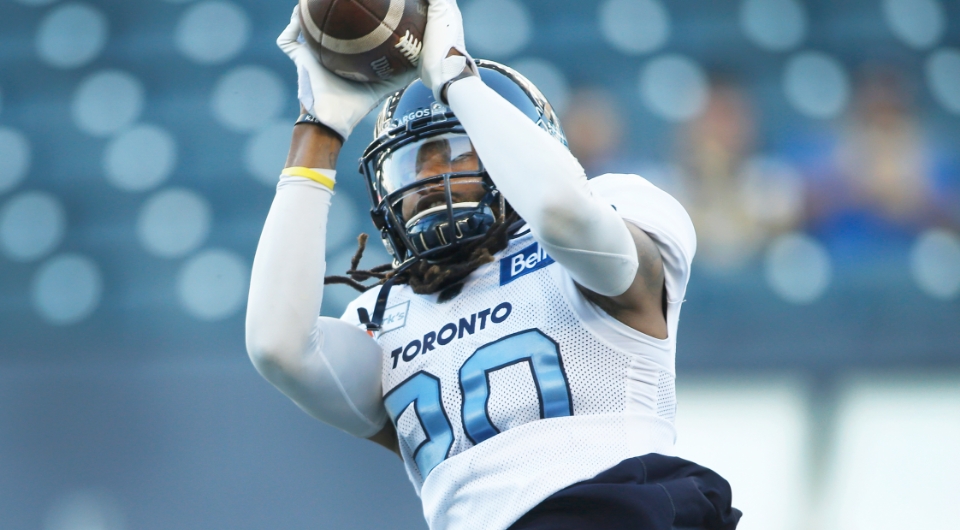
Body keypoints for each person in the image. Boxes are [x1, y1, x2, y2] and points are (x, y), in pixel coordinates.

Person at [245, 1, 742, 529]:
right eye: (415, 161)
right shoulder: (383, 316)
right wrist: (317, 132)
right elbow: (278, 346)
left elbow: (560, 211)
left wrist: (456, 79)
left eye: (456, 152)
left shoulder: (618, 206)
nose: (430, 178)